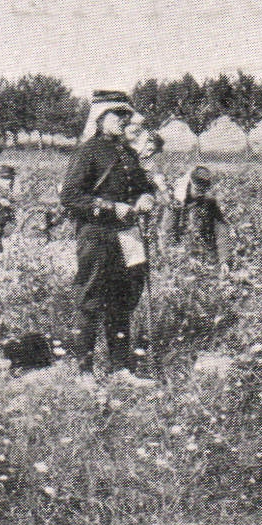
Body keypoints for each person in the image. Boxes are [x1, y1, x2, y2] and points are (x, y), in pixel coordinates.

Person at [61, 90, 160, 382]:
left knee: (122, 299)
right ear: (100, 117)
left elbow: (143, 186)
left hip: (127, 236)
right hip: (97, 235)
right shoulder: (87, 151)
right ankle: (84, 371)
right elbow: (70, 196)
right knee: (90, 298)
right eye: (118, 114)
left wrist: (145, 198)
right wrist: (109, 207)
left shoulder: (127, 153)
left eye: (127, 114)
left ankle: (120, 369)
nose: (124, 120)